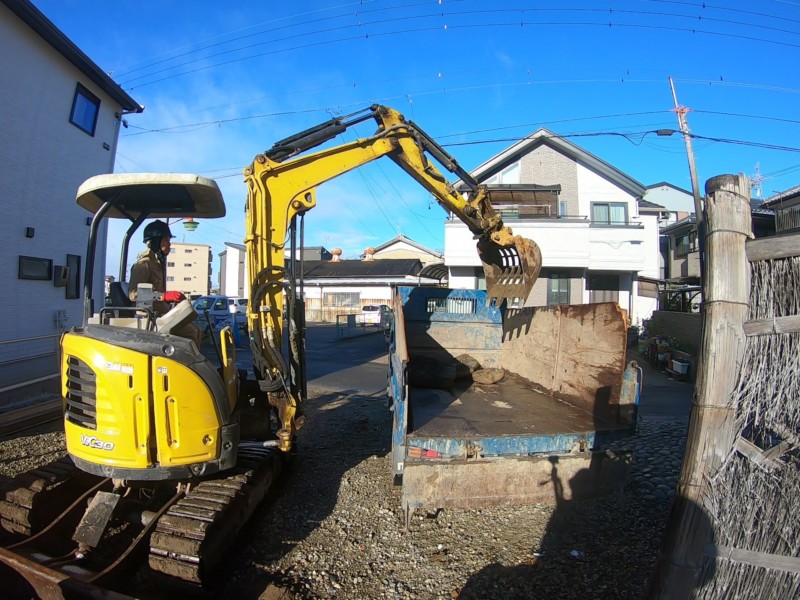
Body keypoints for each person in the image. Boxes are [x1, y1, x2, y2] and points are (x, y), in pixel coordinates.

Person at [128, 219, 201, 346]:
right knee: (191, 333)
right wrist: (163, 296)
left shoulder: (158, 263)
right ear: (156, 242)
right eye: (166, 240)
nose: (169, 244)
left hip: (160, 316)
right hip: (148, 318)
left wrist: (171, 299)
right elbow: (133, 294)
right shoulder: (143, 264)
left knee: (197, 329)